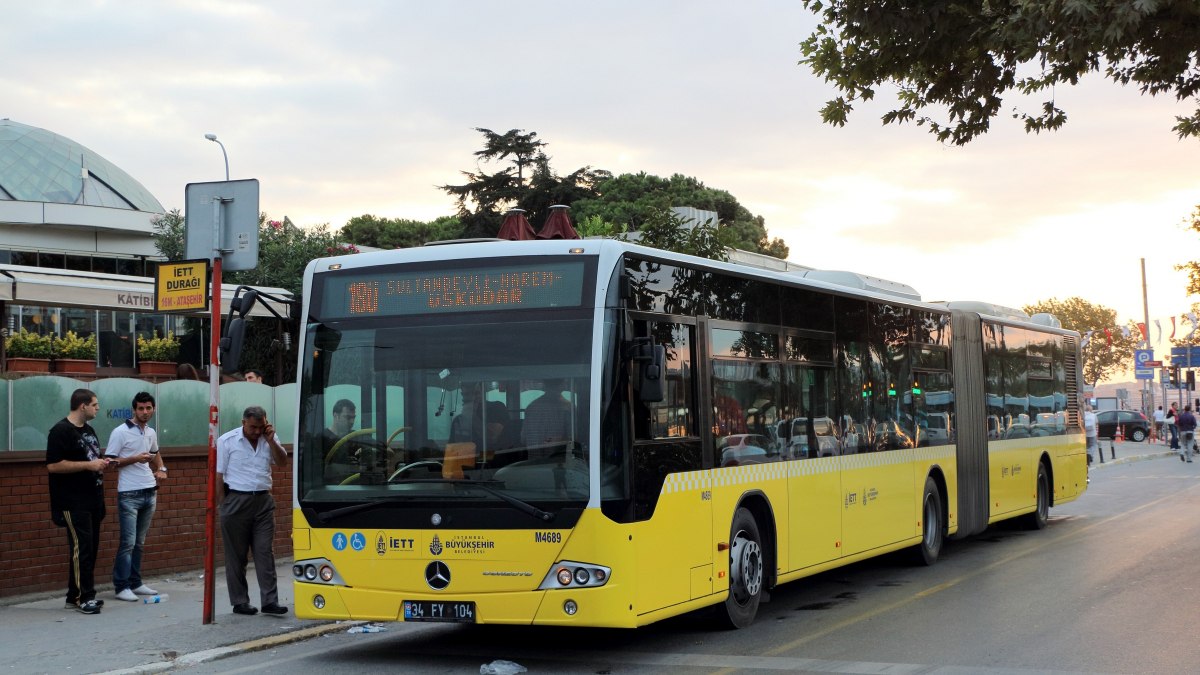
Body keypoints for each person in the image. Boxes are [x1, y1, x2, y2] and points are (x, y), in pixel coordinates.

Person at [217, 406, 289, 616]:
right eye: (253, 427)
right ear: (243, 423)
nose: (257, 431)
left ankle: (270, 601)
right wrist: (223, 505)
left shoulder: (270, 439)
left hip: (263, 501)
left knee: (264, 552)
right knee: (236, 556)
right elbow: (219, 476)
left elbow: (283, 462)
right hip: (236, 500)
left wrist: (271, 440)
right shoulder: (227, 441)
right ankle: (240, 601)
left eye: (261, 427)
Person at [46, 388, 109, 615]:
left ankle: (74, 596)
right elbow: (53, 465)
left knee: (90, 549)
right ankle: (86, 597)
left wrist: (101, 463)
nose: (98, 408)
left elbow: (91, 459)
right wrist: (88, 466)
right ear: (83, 406)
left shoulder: (89, 430)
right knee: (81, 548)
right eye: (95, 404)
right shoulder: (60, 431)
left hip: (93, 498)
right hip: (73, 501)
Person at [105, 392, 167, 602]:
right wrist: (134, 459)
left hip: (150, 491)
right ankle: (121, 586)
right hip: (129, 494)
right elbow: (110, 463)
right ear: (134, 410)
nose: (145, 412)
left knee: (139, 542)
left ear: (153, 409)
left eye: (148, 408)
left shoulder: (150, 432)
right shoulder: (120, 432)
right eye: (140, 408)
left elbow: (155, 452)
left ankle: (136, 582)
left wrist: (161, 468)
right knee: (128, 543)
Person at [521, 379, 573, 448]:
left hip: (533, 456)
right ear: (562, 385)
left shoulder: (531, 407)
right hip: (557, 456)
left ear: (545, 385)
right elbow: (573, 438)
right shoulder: (567, 407)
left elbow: (523, 438)